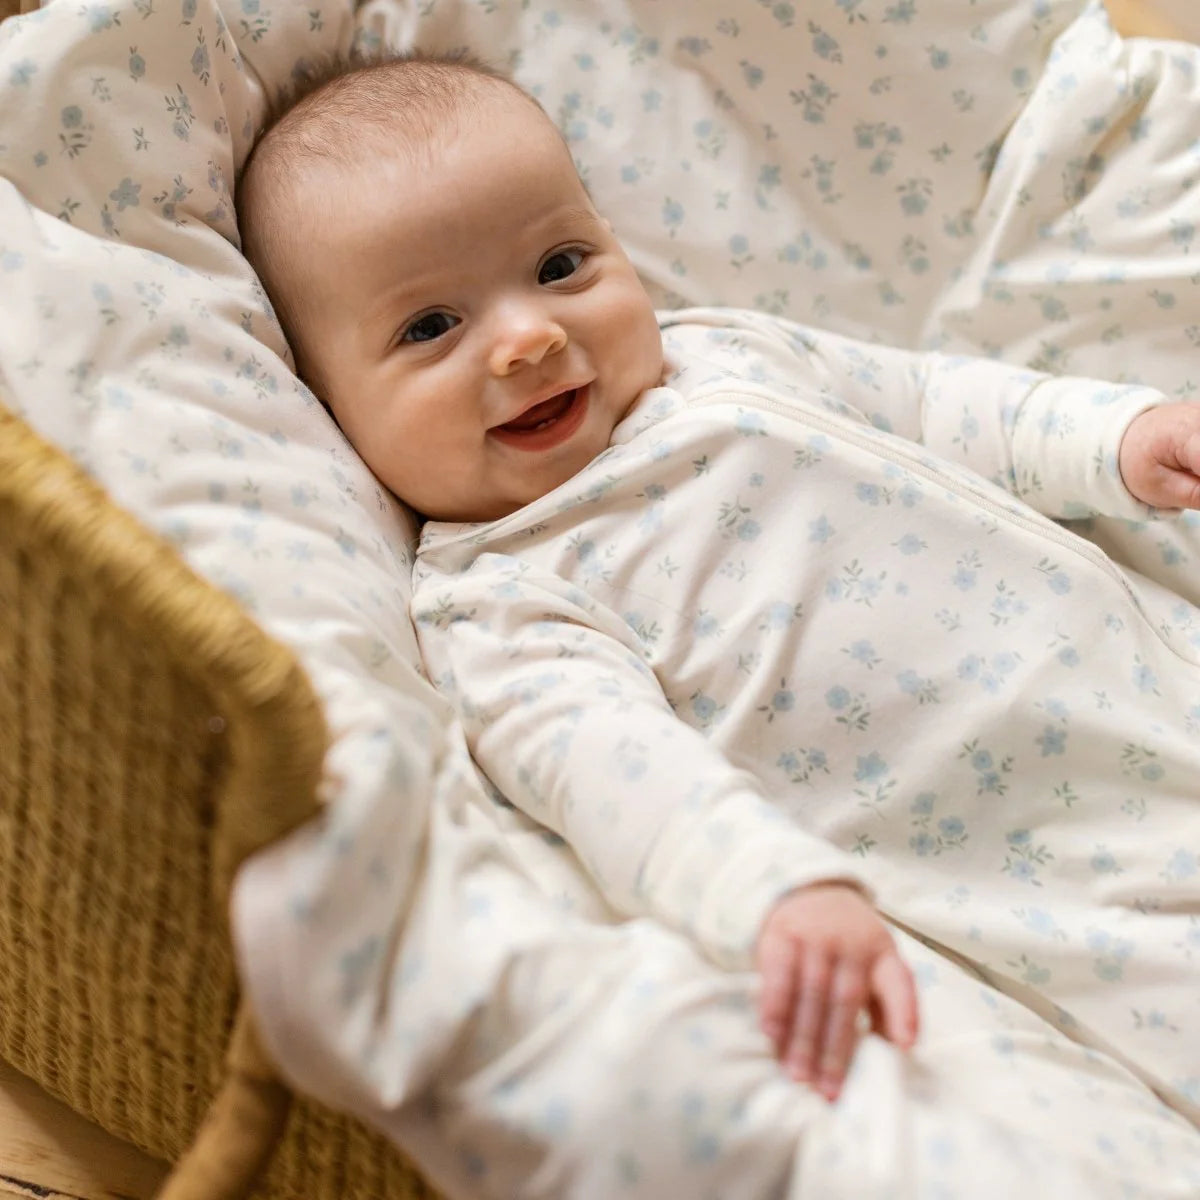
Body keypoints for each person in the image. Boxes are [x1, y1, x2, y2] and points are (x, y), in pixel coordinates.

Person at [236, 52, 1200, 1115]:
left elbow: (934, 404)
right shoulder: (497, 595)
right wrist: (770, 890)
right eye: (431, 327)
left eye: (560, 264)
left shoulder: (722, 356)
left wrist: (1116, 437)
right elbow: (624, 782)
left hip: (1154, 661)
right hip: (1043, 868)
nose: (529, 336)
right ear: (326, 399)